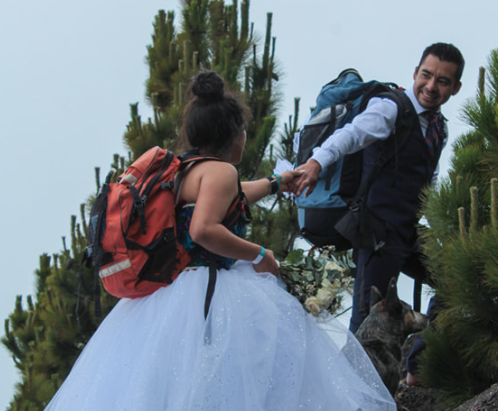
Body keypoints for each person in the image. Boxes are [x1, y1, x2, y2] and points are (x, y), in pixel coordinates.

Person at [44, 71, 396, 411]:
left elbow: (231, 195)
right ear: (234, 135)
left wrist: (276, 183)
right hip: (209, 294)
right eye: (243, 129)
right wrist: (260, 253)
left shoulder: (183, 169)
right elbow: (203, 230)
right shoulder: (221, 171)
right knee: (233, 377)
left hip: (168, 293)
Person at [292, 43, 464, 342]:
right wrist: (317, 162)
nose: (431, 86)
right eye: (426, 75)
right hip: (377, 235)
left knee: (456, 277)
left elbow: (429, 178)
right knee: (367, 325)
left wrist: (439, 226)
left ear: (456, 88)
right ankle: (353, 389)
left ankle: (420, 364)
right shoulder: (391, 107)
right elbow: (352, 134)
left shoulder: (439, 128)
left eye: (443, 81)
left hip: (409, 232)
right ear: (415, 72)